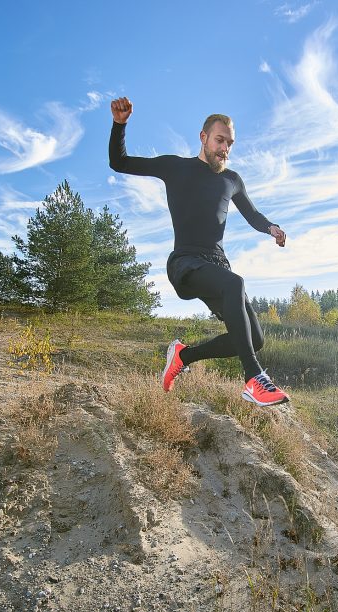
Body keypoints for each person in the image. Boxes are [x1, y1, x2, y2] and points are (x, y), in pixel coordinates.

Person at [109, 96, 290, 406]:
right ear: (203, 137)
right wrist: (119, 125)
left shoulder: (232, 180)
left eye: (230, 143)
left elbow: (253, 215)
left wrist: (270, 227)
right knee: (235, 283)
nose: (225, 149)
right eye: (220, 140)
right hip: (185, 263)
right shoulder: (175, 167)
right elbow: (119, 162)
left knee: (254, 338)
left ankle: (184, 356)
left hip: (217, 265)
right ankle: (254, 379)